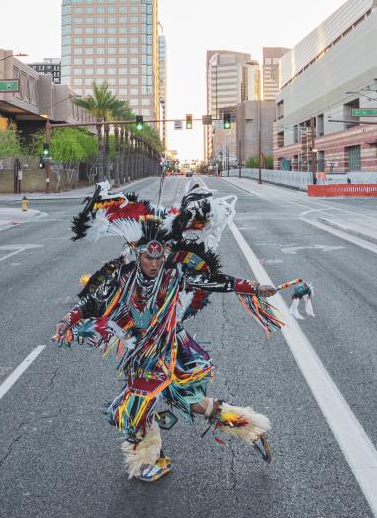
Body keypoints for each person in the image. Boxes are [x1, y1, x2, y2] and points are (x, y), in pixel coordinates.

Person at [55, 182, 288, 482]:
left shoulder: (176, 275)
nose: (154, 263)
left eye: (159, 257)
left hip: (170, 349)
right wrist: (67, 320)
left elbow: (218, 282)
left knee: (138, 405)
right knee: (184, 405)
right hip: (141, 353)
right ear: (138, 254)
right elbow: (91, 302)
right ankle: (247, 427)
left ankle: (150, 459)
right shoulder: (122, 278)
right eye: (148, 257)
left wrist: (254, 287)